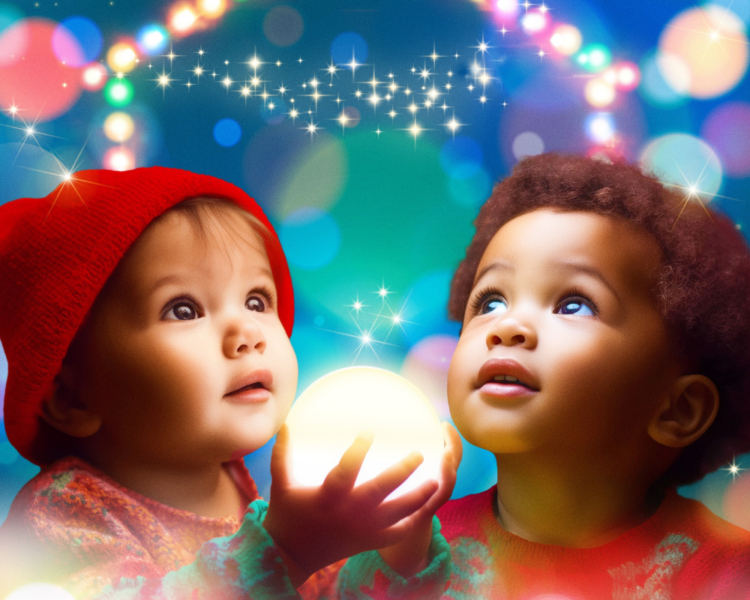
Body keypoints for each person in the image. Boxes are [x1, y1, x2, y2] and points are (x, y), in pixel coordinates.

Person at [0, 166, 460, 599]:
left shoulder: (253, 489)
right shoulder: (59, 516)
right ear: (70, 396)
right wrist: (285, 551)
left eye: (258, 301)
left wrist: (402, 545)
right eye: (184, 309)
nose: (247, 334)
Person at [393, 153, 750, 599]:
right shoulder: (406, 554)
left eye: (573, 305)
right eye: (490, 302)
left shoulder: (726, 575)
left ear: (679, 409)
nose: (508, 328)